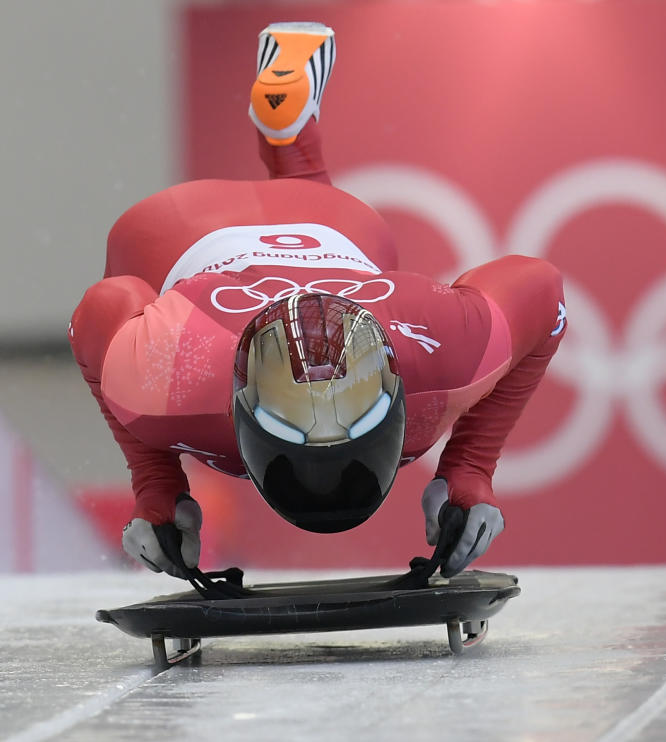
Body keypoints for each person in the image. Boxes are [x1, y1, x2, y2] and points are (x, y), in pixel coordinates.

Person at [69, 21, 566, 579]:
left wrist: (157, 486)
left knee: (347, 237)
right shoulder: (173, 381)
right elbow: (542, 289)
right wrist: (468, 470)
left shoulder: (171, 377)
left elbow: (102, 309)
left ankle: (292, 137)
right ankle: (291, 138)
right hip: (215, 230)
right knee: (338, 233)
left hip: (273, 227)